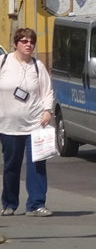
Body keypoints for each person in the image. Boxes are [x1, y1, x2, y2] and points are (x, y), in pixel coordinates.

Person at [0, 27, 56, 216]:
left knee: (37, 165)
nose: (28, 44)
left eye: (31, 41)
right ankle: (9, 204)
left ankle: (36, 205)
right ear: (15, 44)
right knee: (11, 166)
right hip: (8, 125)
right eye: (24, 41)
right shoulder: (3, 62)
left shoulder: (37, 66)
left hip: (35, 124)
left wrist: (47, 111)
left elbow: (47, 91)